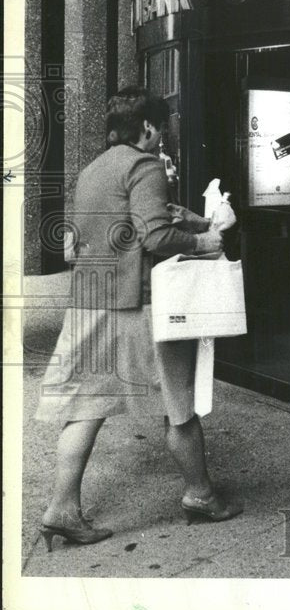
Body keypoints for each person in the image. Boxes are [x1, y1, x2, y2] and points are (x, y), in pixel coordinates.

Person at [35, 87, 242, 551]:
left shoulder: (94, 168)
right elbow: (153, 235)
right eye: (162, 126)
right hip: (138, 304)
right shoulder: (144, 164)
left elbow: (85, 238)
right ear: (148, 128)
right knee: (179, 402)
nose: (163, 135)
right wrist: (203, 243)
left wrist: (184, 220)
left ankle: (61, 509)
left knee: (87, 406)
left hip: (91, 299)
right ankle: (200, 495)